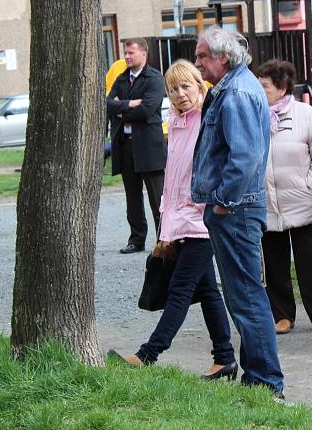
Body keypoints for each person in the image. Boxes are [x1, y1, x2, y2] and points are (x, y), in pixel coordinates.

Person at [112, 60, 237, 379]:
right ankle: (224, 358)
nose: (180, 94)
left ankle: (147, 355)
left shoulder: (207, 121)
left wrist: (198, 211)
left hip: (200, 222)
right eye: (174, 89)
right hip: (179, 222)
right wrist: (165, 226)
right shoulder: (177, 123)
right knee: (208, 291)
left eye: (186, 86)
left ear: (200, 86)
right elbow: (172, 180)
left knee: (180, 290)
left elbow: (211, 173)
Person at [192, 26, 284, 396]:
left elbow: (244, 157)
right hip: (233, 208)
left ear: (223, 58)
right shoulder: (232, 89)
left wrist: (223, 201)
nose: (197, 63)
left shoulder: (238, 94)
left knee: (246, 295)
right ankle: (257, 378)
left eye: (202, 56)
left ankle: (265, 382)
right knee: (241, 295)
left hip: (236, 209)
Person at [255, 60, 312, 335]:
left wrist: (311, 187)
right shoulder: (253, 115)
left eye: (265, 85)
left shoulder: (305, 113)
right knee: (275, 263)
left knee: (311, 261)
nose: (259, 89)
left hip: (303, 202)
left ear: (282, 87)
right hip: (267, 204)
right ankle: (282, 315)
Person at [107, 38, 167, 254]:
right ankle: (137, 239)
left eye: (131, 52)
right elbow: (107, 104)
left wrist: (121, 109)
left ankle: (164, 241)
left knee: (157, 199)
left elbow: (147, 110)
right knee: (132, 198)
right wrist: (129, 104)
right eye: (125, 52)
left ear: (144, 54)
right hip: (126, 147)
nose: (127, 56)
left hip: (149, 147)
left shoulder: (155, 78)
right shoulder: (122, 78)